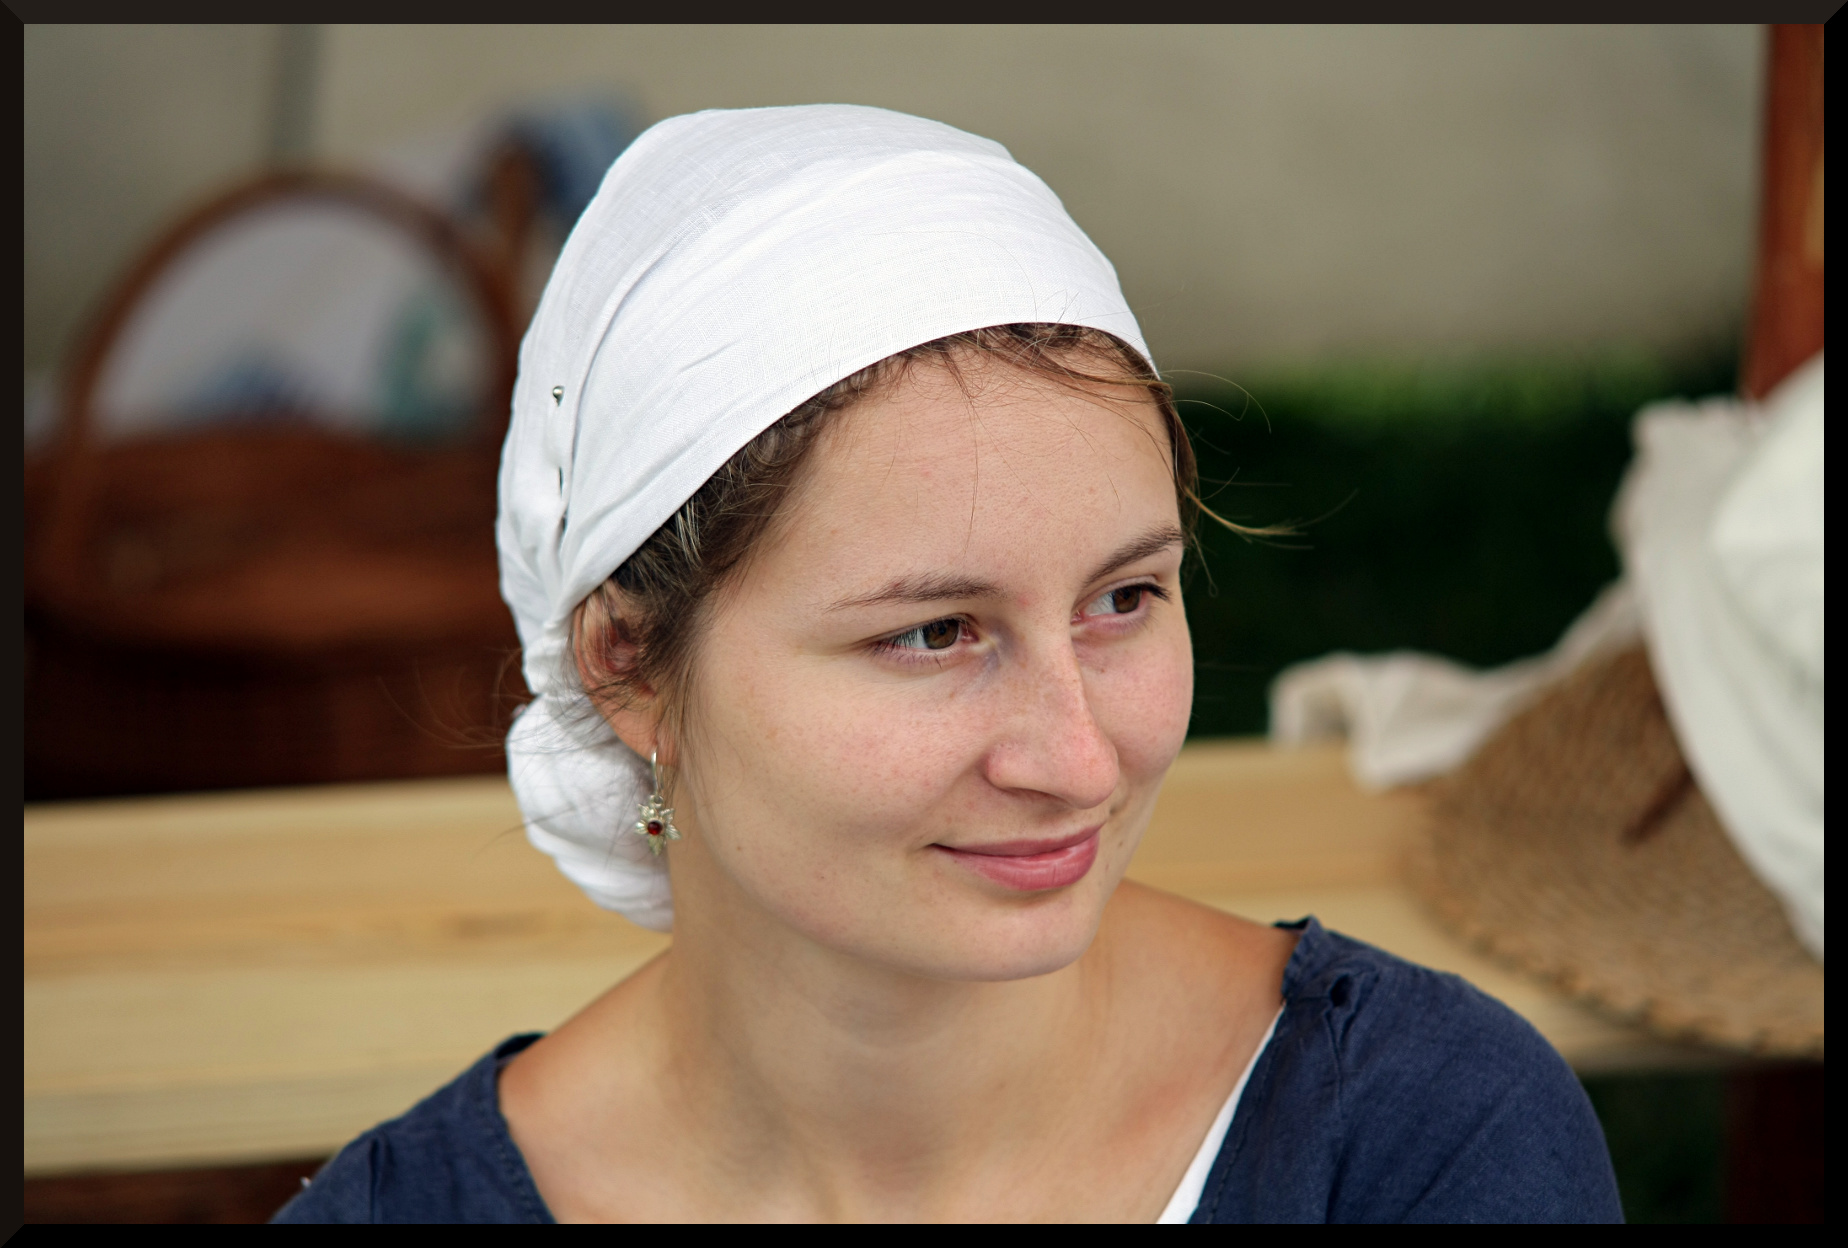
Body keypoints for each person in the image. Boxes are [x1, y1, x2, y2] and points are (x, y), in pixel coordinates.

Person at [276, 105, 1619, 1224]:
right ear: (629, 667)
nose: (1078, 760)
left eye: (1124, 599)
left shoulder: (1420, 1145)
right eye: (934, 633)